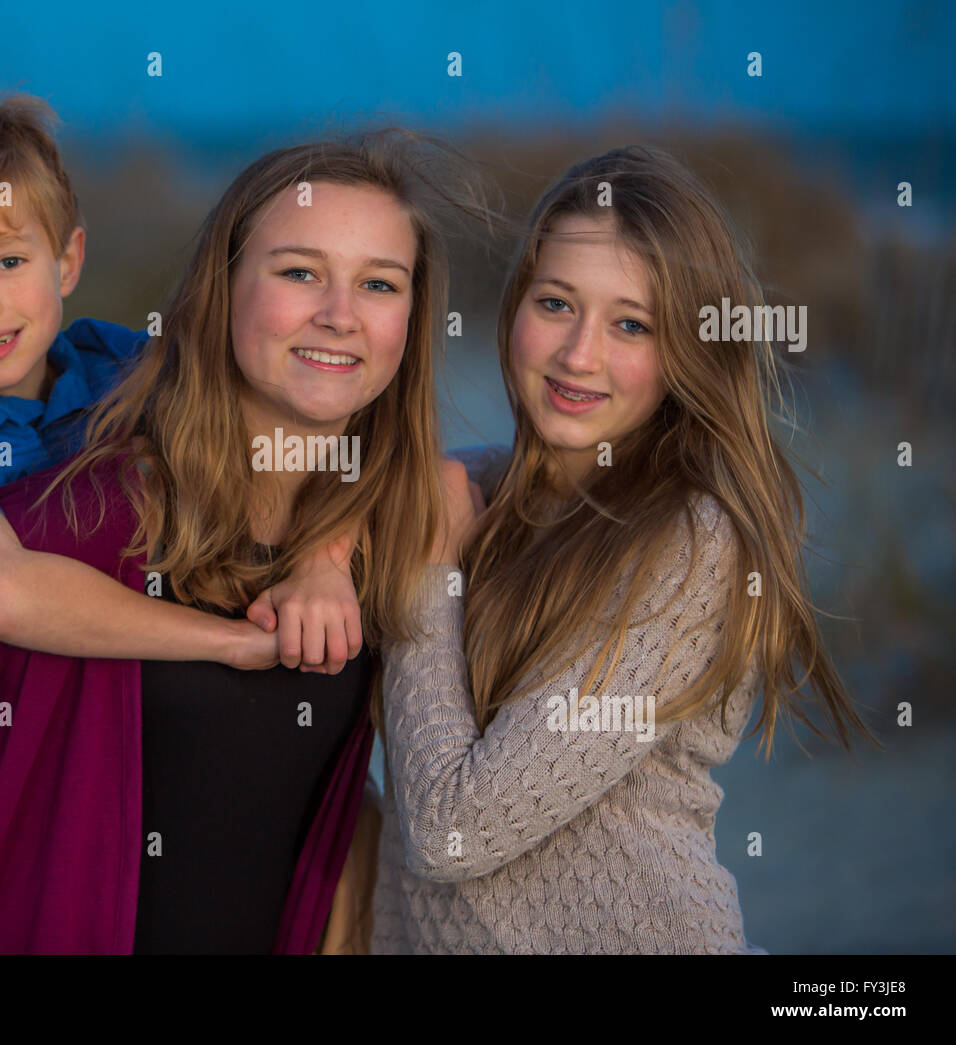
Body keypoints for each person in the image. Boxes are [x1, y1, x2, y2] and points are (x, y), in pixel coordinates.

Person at [0, 130, 491, 954]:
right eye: (299, 271)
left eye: (379, 282)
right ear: (220, 288)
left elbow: (407, 454)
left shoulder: (120, 380)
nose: (339, 313)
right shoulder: (72, 507)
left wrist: (326, 556)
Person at [372, 146, 877, 954]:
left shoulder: (691, 543)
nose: (580, 354)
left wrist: (427, 576)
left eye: (631, 324)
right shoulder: (472, 493)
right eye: (557, 303)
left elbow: (452, 831)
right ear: (514, 309)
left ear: (684, 352)